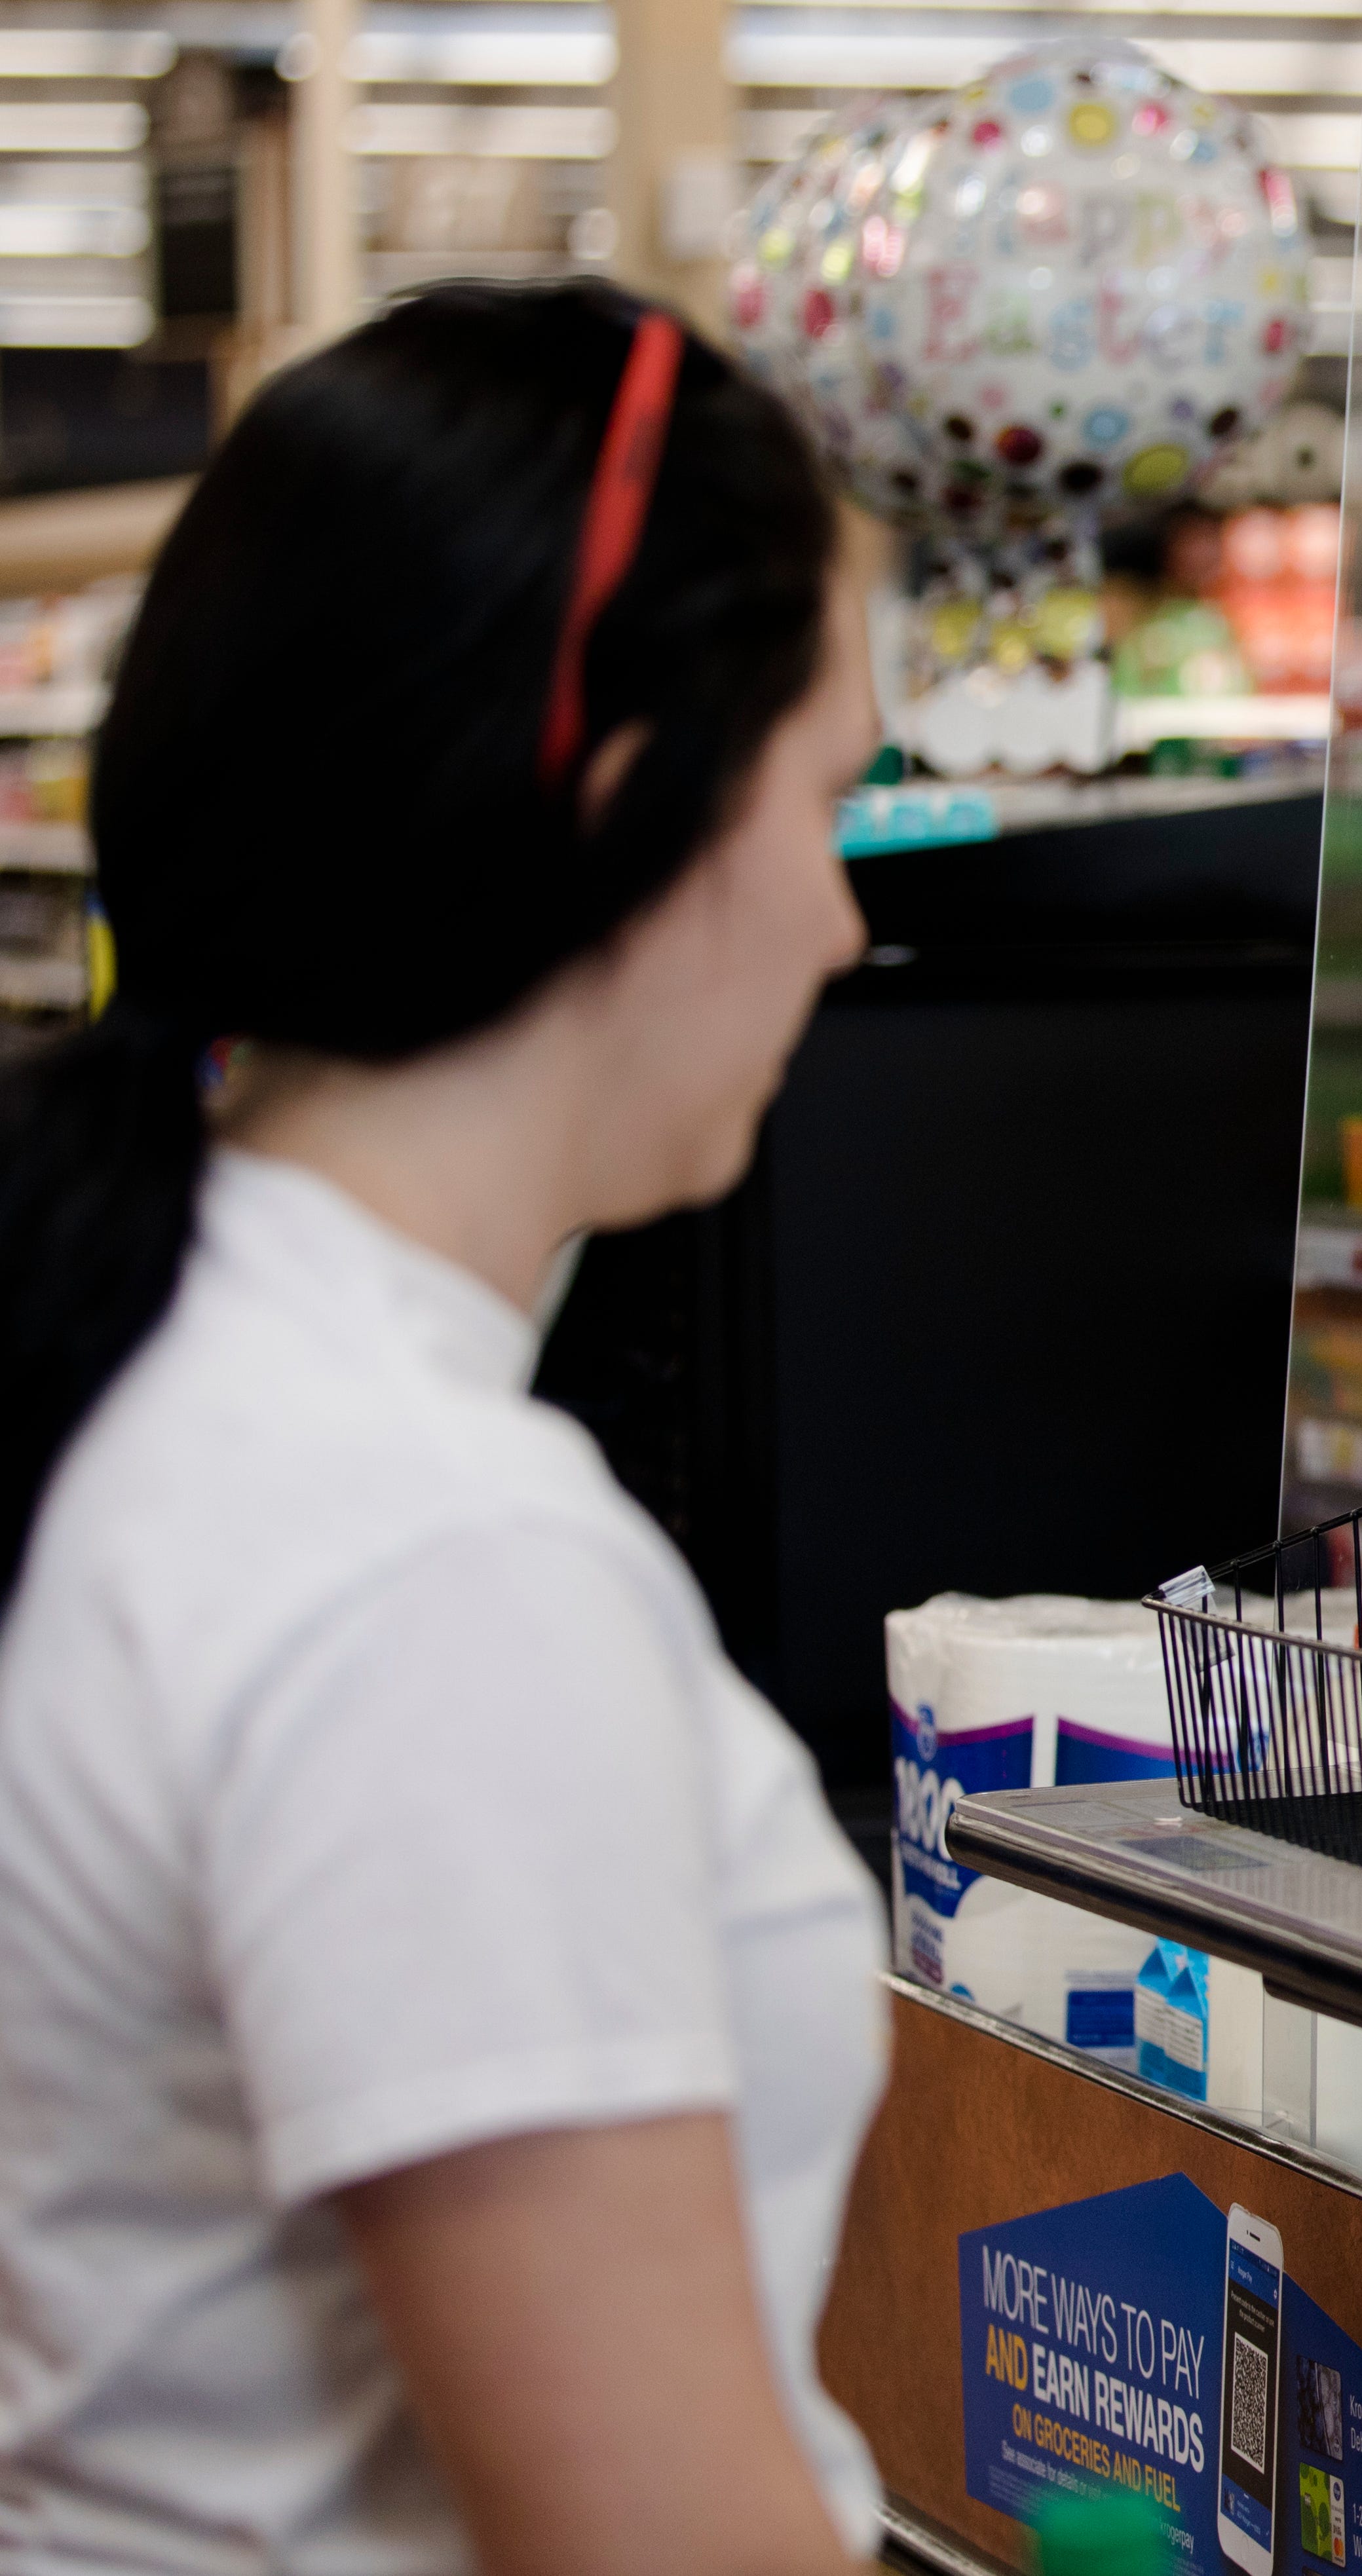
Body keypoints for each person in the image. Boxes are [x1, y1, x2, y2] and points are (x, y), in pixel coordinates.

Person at [0, 283, 882, 2571]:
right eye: (825, 801)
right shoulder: (426, 1561)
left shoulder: (158, 1357)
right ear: (622, 799)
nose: (842, 921)